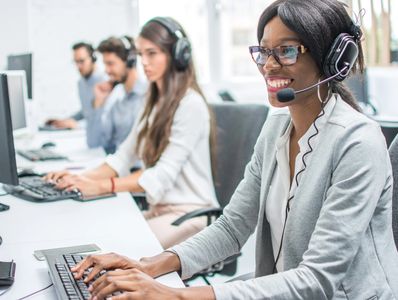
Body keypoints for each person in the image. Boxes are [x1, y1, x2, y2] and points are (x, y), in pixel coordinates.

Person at [70, 1, 398, 299]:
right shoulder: (275, 130)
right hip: (284, 286)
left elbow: (317, 279)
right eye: (263, 52)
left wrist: (175, 295)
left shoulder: (358, 143)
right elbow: (232, 226)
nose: (268, 66)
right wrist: (148, 266)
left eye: (286, 51)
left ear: (330, 58)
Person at [45, 17, 218, 249]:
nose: (143, 62)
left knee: (121, 251)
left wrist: (102, 186)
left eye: (152, 53)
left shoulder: (190, 105)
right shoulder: (153, 101)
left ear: (178, 54)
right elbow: (123, 157)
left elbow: (160, 175)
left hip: (191, 214)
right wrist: (79, 178)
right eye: (140, 54)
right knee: (98, 238)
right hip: (160, 210)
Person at [92, 36, 147, 154]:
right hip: (120, 168)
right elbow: (98, 143)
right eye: (105, 64)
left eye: (110, 64)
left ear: (129, 61)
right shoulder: (116, 100)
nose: (107, 70)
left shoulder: (150, 96)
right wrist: (99, 104)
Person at [46, 42, 107, 139]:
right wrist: (66, 121)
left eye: (81, 61)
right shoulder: (81, 83)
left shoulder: (105, 82)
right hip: (89, 138)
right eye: (75, 62)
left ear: (93, 58)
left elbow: (105, 120)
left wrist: (77, 125)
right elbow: (86, 111)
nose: (78, 67)